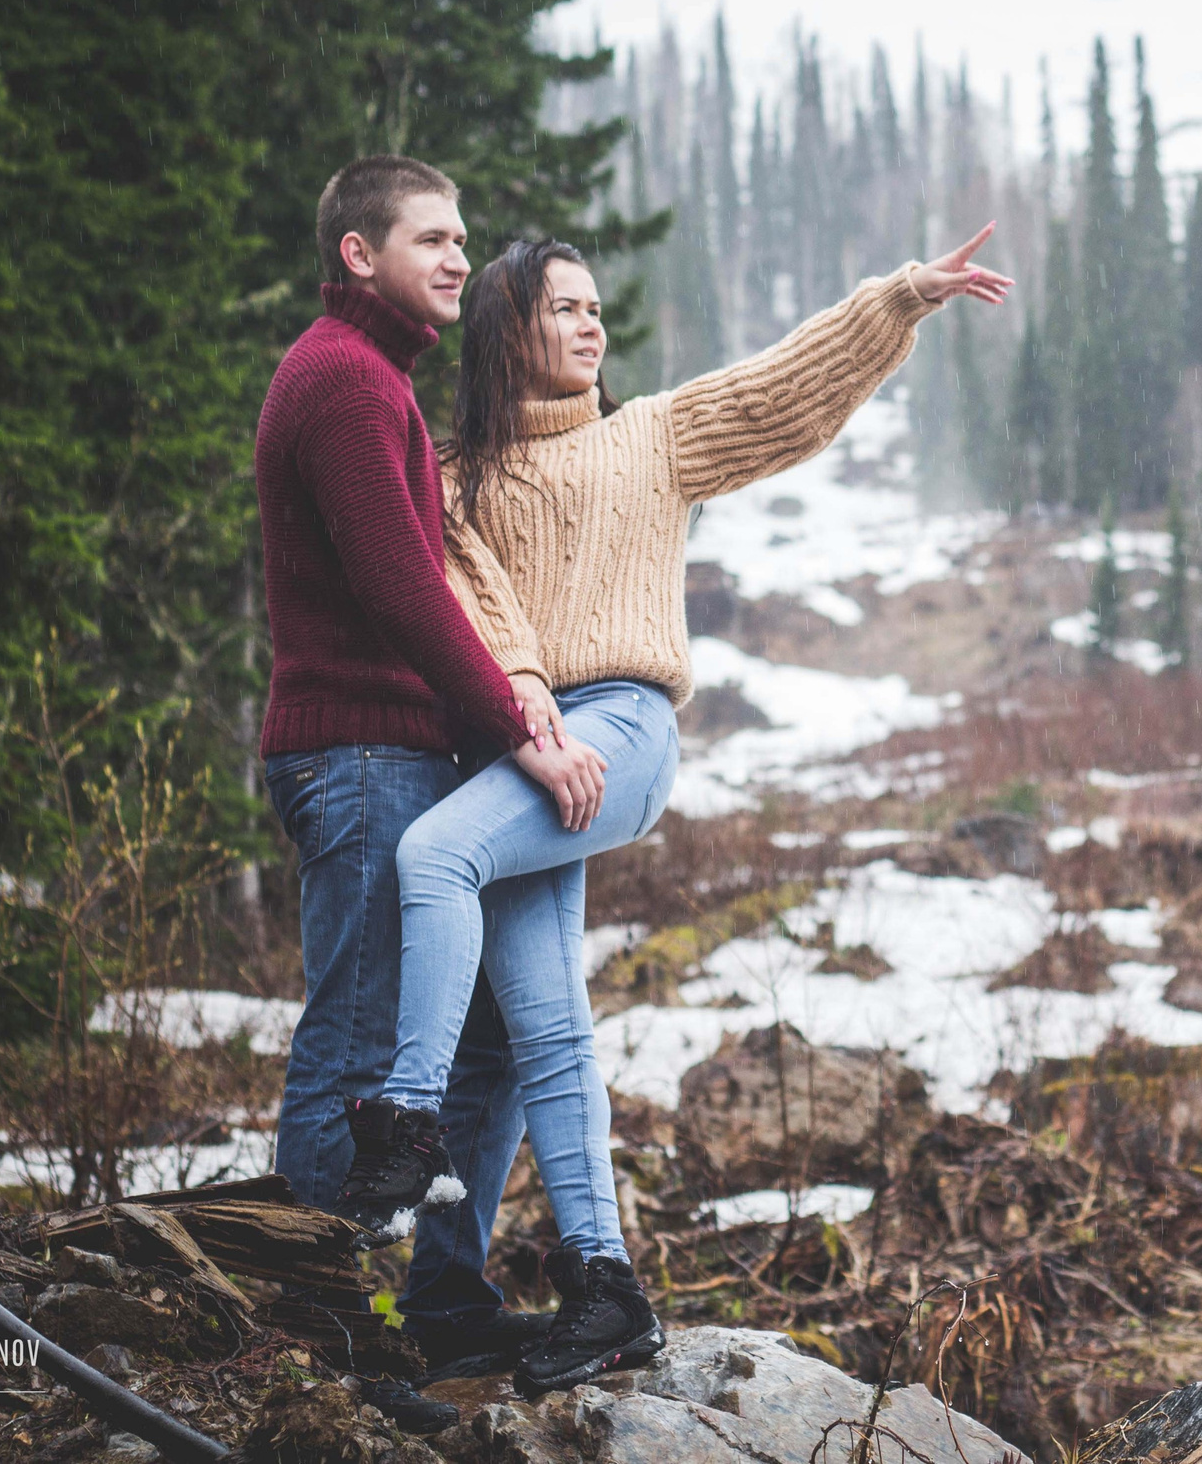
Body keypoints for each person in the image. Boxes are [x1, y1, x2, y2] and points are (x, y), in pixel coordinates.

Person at [332, 224, 1012, 1394]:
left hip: (624, 729)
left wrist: (901, 297)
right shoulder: (459, 476)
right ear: (509, 333)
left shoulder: (650, 437)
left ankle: (404, 1120)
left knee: (435, 855)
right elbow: (472, 609)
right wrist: (529, 721)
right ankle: (607, 1289)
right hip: (527, 745)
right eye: (565, 309)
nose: (593, 325)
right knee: (546, 1024)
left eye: (598, 307)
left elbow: (783, 391)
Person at [254, 155, 608, 1426]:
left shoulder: (373, 380)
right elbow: (409, 594)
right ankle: (321, 1340)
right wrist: (521, 729)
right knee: (355, 1043)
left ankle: (441, 1300)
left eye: (464, 240)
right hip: (357, 759)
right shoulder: (345, 383)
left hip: (393, 758)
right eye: (433, 237)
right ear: (360, 252)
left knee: (487, 1043)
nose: (461, 257)